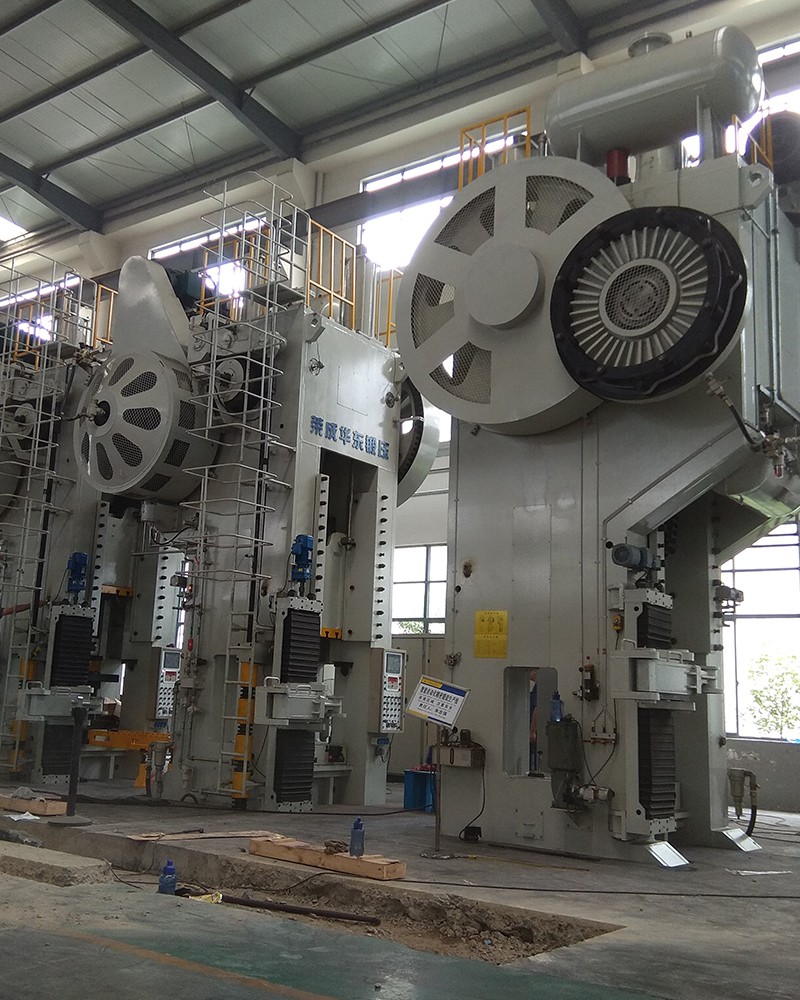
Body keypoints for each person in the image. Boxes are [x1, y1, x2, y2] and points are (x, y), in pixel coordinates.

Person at [529, 668, 538, 774]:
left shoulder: (538, 688)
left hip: (534, 732)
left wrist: (532, 731)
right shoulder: (535, 688)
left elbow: (537, 709)